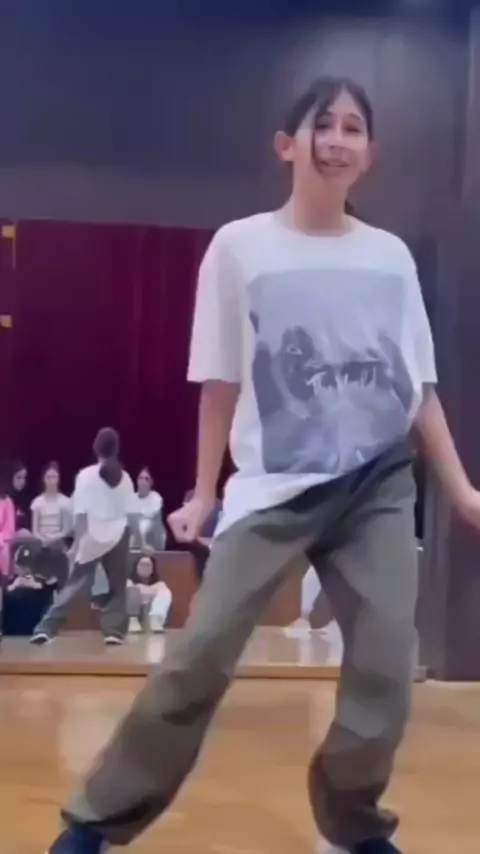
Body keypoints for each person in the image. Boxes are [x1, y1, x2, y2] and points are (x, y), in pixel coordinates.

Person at [45, 77, 480, 854]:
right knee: (200, 654)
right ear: (287, 145)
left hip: (375, 485)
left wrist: (461, 489)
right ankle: (96, 822)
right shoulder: (240, 247)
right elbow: (219, 381)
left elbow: (417, 387)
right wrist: (203, 492)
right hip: (274, 487)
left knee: (387, 668)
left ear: (370, 154)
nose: (338, 139)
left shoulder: (390, 259)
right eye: (324, 124)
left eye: (353, 127)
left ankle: (352, 824)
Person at [31, 428, 138, 646]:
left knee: (74, 585)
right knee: (118, 587)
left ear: (95, 448)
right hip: (119, 536)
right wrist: (138, 540)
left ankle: (46, 628)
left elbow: (81, 514)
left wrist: (77, 544)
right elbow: (130, 513)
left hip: (93, 535)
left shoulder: (86, 475)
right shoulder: (126, 478)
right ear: (116, 449)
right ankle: (113, 632)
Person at [127, 553, 172, 634]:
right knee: (132, 589)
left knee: (165, 590)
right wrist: (149, 592)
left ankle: (156, 619)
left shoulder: (159, 584)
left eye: (148, 565)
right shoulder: (129, 582)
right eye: (142, 565)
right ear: (136, 567)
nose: (145, 568)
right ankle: (133, 620)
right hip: (134, 612)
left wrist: (145, 591)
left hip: (151, 611)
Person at [134, 467, 166, 551]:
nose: (143, 481)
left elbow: (150, 515)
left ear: (151, 483)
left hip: (154, 539)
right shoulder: (132, 498)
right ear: (137, 480)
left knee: (145, 523)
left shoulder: (156, 497)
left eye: (146, 479)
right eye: (141, 478)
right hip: (137, 539)